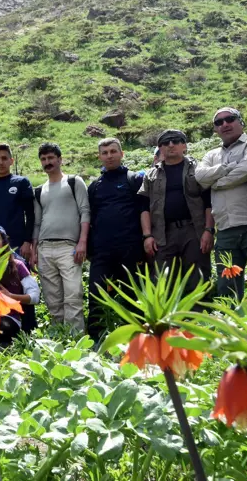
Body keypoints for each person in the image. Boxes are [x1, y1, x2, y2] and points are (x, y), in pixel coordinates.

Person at [195, 108, 247, 299]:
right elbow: (200, 177)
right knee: (227, 288)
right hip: (225, 231)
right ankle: (231, 327)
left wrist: (216, 183)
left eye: (230, 119)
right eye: (219, 122)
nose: (224, 124)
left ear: (241, 122)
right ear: (215, 130)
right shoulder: (211, 155)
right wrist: (228, 168)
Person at [86, 138, 147, 340]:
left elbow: (144, 210)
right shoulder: (94, 186)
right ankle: (96, 340)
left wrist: (147, 238)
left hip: (130, 248)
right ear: (99, 157)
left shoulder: (133, 179)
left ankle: (136, 339)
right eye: (104, 152)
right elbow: (90, 218)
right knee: (96, 295)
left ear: (122, 154)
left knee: (133, 297)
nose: (109, 156)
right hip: (102, 251)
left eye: (113, 151)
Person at [139, 130, 215, 291]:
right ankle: (167, 317)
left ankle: (198, 315)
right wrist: (147, 235)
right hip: (162, 233)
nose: (171, 145)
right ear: (160, 148)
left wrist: (209, 230)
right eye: (165, 142)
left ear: (184, 145)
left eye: (175, 141)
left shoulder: (199, 169)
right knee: (162, 282)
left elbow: (209, 201)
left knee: (198, 279)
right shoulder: (151, 174)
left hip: (194, 231)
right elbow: (144, 206)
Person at [31, 142, 90, 333]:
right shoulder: (39, 190)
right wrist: (34, 250)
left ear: (60, 159)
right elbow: (37, 223)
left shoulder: (74, 181)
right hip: (44, 248)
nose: (47, 162)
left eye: (50, 158)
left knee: (73, 296)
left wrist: (82, 242)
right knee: (52, 299)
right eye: (43, 159)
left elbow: (85, 212)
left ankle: (77, 342)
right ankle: (60, 340)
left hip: (69, 247)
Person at [0, 224, 40, 345]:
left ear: (4, 241)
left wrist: (10, 296)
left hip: (10, 318)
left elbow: (34, 296)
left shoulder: (17, 265)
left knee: (3, 326)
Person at [0, 143, 34, 260]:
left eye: (4, 158)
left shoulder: (21, 183)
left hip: (17, 245)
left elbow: (30, 214)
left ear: (11, 161)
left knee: (20, 276)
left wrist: (27, 241)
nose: (1, 162)